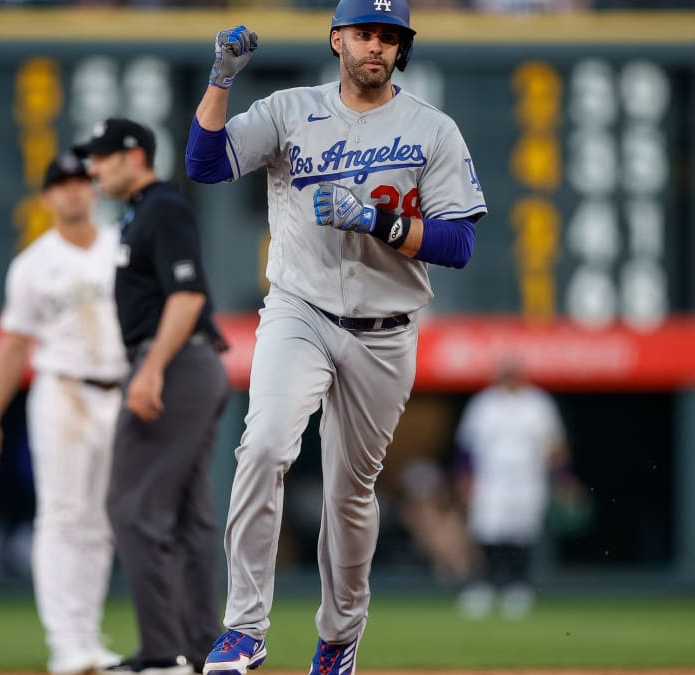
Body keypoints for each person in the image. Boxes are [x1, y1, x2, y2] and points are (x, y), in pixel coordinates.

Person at [184, 0, 488, 670]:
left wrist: (376, 219)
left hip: (386, 330)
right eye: (363, 33)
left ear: (401, 49)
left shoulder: (432, 129)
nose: (375, 46)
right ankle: (244, 628)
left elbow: (460, 241)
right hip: (301, 310)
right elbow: (205, 164)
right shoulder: (292, 110)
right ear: (336, 40)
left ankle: (340, 639)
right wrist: (221, 80)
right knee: (262, 445)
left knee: (351, 494)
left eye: (388, 36)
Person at [74, 117, 230, 675]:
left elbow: (187, 296)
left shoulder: (162, 208)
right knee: (189, 518)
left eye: (101, 157)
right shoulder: (141, 213)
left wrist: (150, 369)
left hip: (176, 359)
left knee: (132, 507)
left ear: (134, 155)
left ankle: (164, 655)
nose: (92, 169)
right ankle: (205, 652)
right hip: (189, 362)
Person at [0, 152, 127, 675]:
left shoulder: (121, 246)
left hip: (119, 390)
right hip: (62, 391)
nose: (73, 191)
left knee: (102, 521)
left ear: (93, 189)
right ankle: (66, 644)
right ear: (47, 198)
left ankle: (88, 635)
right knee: (62, 516)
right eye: (61, 184)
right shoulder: (34, 264)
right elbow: (14, 346)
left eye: (80, 181)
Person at [454, 358, 570, 620]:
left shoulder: (538, 404)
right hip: (492, 479)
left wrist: (562, 478)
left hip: (528, 478)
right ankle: (481, 587)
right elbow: (466, 448)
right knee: (486, 532)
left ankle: (517, 588)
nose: (509, 379)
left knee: (522, 533)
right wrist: (465, 480)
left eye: (513, 374)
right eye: (505, 374)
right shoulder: (484, 404)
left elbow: (555, 446)